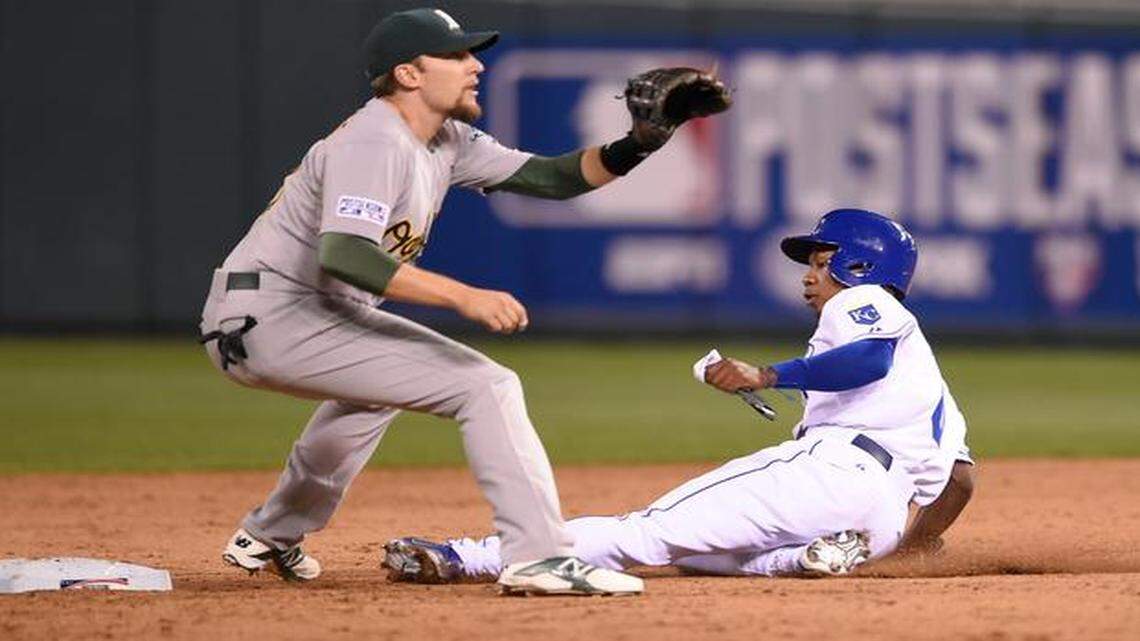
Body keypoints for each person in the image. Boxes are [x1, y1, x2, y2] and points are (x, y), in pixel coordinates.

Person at [199, 7, 726, 596]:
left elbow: (553, 179)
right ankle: (539, 556)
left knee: (374, 397)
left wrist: (641, 143)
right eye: (455, 55)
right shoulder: (375, 139)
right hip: (270, 315)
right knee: (485, 385)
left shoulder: (444, 137)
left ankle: (272, 532)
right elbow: (346, 254)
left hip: (307, 311)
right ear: (408, 75)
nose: (475, 65)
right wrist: (463, 295)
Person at [383, 208, 976, 582]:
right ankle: (811, 558)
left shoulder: (862, 303)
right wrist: (906, 547)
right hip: (881, 520)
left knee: (647, 532)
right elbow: (959, 481)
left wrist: (768, 375)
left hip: (833, 473)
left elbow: (868, 357)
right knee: (697, 556)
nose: (809, 275)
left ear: (859, 268)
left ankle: (469, 557)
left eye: (823, 262)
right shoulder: (936, 394)